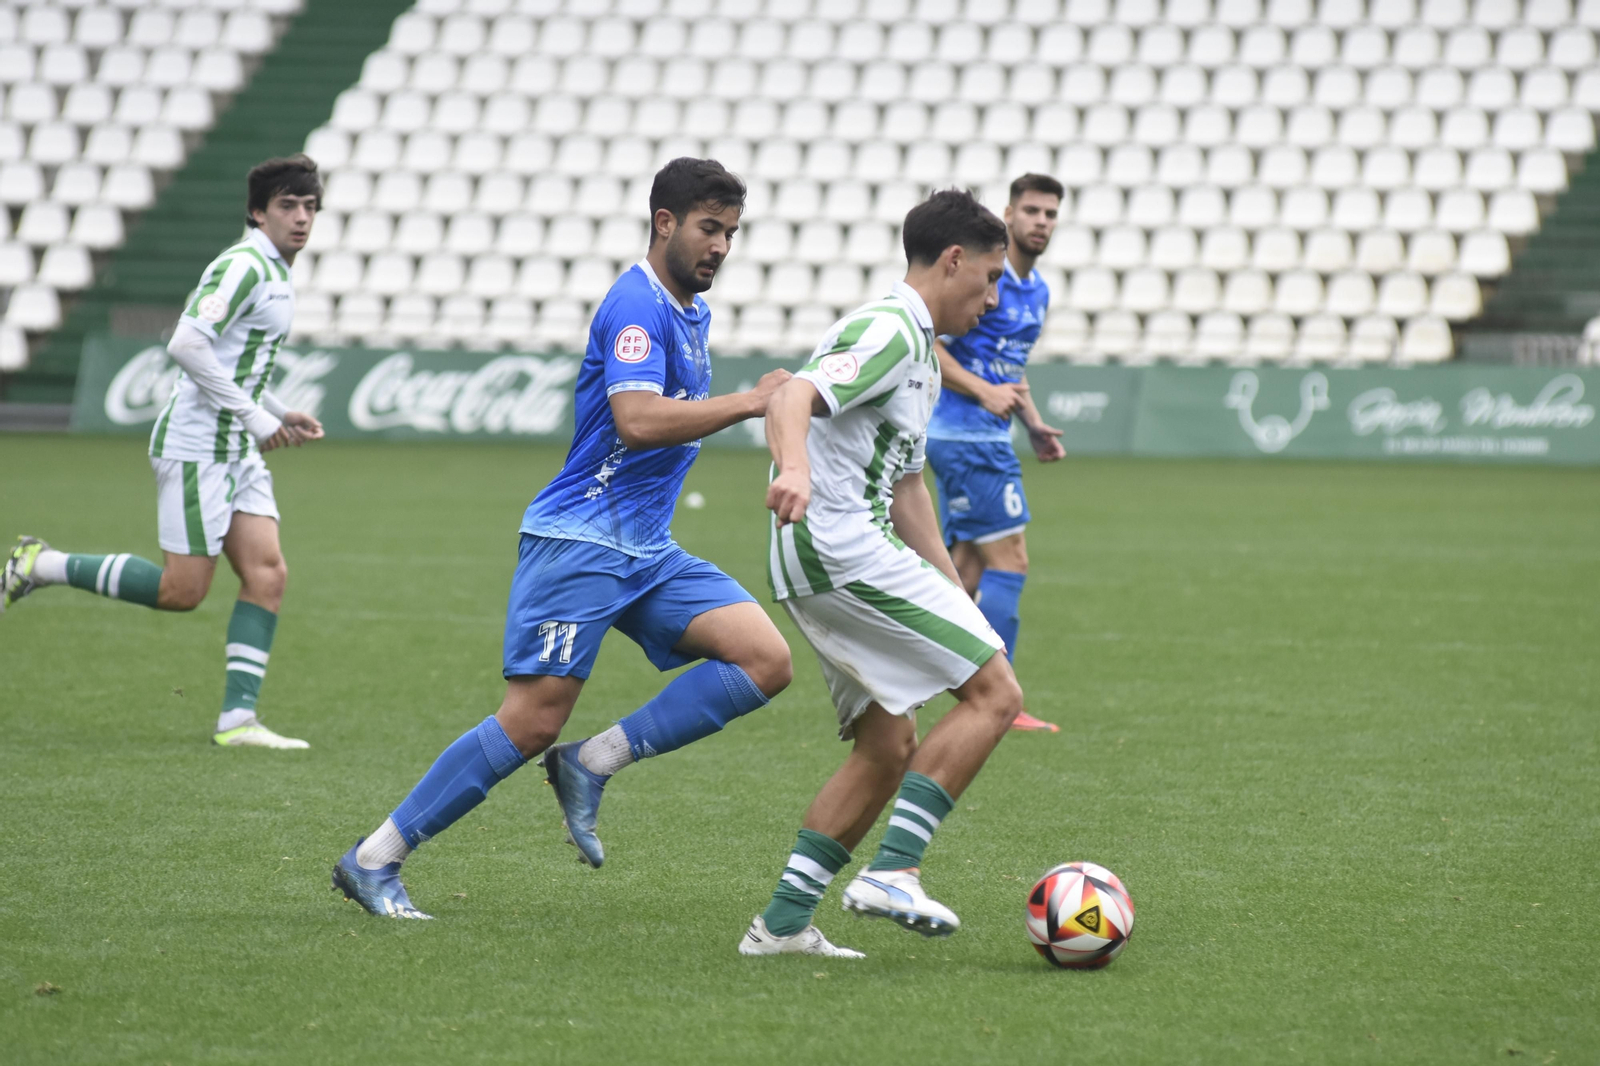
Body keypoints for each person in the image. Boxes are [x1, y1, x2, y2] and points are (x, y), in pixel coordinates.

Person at [331, 158, 793, 920]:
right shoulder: (635, 306)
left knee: (765, 660)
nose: (720, 247)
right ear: (665, 222)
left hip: (645, 546)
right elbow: (637, 420)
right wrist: (749, 403)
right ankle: (374, 858)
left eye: (732, 234)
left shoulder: (690, 311)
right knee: (532, 717)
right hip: (580, 540)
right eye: (709, 229)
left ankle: (591, 763)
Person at [740, 190, 1024, 958]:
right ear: (954, 259)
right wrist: (793, 466)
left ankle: (783, 926)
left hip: (836, 550)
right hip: (837, 547)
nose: (994, 297)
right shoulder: (891, 328)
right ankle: (894, 869)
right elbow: (794, 392)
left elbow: (906, 488)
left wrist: (955, 591)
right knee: (996, 692)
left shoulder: (921, 352)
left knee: (887, 745)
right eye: (991, 278)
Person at [2, 154, 326, 749]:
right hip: (198, 445)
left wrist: (277, 410)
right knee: (183, 591)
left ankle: (238, 721)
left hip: (235, 447)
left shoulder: (277, 268)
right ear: (258, 212)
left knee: (267, 573)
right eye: (287, 205)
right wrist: (255, 415)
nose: (301, 217)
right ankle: (40, 564)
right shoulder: (244, 265)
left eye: (309, 206)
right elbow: (186, 344)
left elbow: (232, 357)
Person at [925, 173, 1067, 733]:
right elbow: (929, 340)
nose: (1041, 222)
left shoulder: (1038, 291)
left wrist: (1032, 423)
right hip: (965, 437)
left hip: (986, 438)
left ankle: (910, 676)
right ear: (1009, 214)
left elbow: (1009, 367)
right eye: (1032, 210)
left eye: (1051, 214)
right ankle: (997, 699)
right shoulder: (990, 276)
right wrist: (981, 392)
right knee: (1012, 561)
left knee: (964, 569)